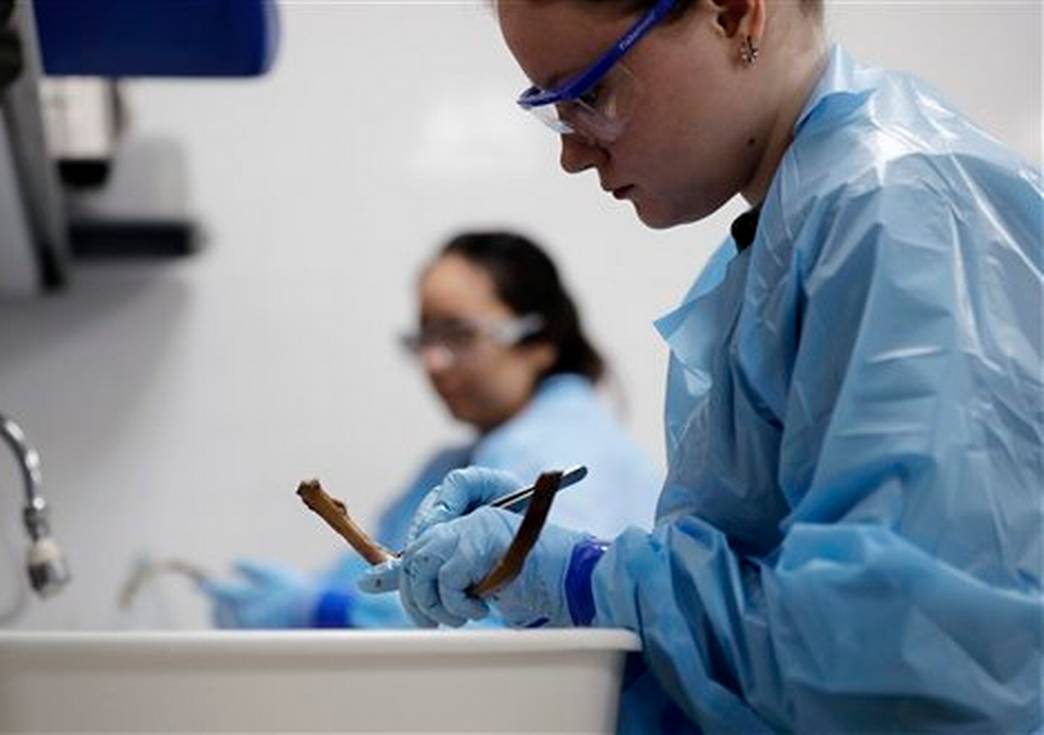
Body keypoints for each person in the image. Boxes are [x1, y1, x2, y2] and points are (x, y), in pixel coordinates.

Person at [360, 0, 1043, 731]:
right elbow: (773, 641)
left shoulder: (900, 214)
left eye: (588, 94)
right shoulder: (793, 234)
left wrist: (589, 578)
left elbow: (896, 660)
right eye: (551, 109)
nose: (572, 152)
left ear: (734, 15)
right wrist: (567, 574)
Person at [202, 230, 662, 629]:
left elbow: (518, 636)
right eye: (425, 337)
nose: (433, 361)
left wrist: (326, 612)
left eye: (458, 335)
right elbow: (376, 573)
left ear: (541, 340)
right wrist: (309, 600)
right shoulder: (459, 464)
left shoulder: (562, 453)